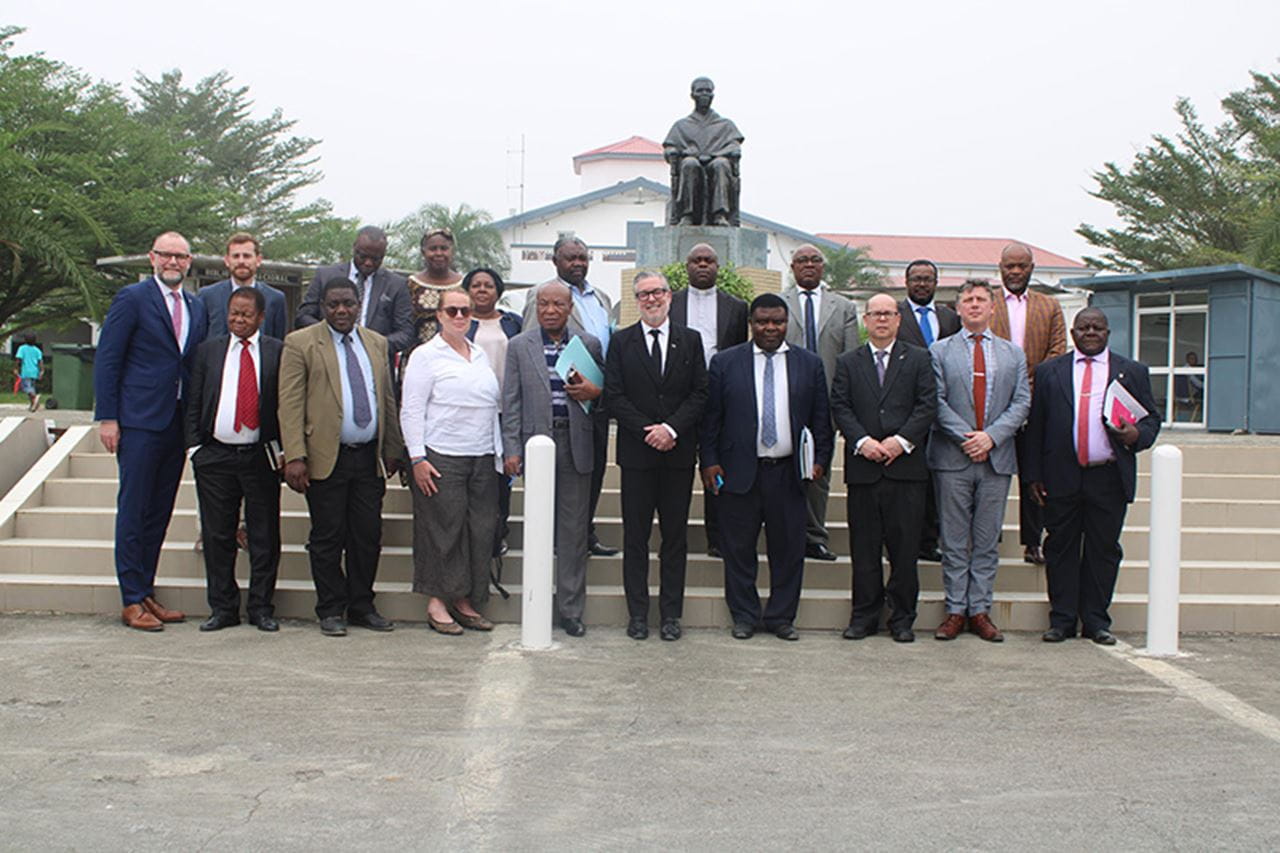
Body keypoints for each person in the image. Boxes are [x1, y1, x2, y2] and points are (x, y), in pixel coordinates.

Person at [701, 293, 834, 641]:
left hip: (789, 473)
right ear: (751, 324)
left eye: (777, 321)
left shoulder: (809, 363)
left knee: (789, 550)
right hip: (739, 472)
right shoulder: (726, 363)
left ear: (786, 323)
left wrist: (819, 461)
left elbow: (822, 420)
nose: (770, 328)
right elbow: (711, 419)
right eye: (762, 322)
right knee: (738, 550)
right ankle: (744, 616)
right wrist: (709, 461)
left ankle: (780, 618)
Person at [1025, 308, 1160, 645]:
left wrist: (1136, 436)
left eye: (1096, 327)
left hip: (1108, 477)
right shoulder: (1048, 372)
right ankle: (1062, 620)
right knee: (1060, 549)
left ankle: (1097, 621)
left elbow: (1151, 421)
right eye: (1083, 328)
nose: (1090, 333)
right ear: (1073, 334)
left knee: (1103, 550)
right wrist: (1033, 476)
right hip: (1061, 476)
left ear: (1107, 333)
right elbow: (1035, 428)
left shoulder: (1132, 372)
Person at [93, 231, 207, 631]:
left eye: (180, 256)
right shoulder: (132, 298)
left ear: (189, 261)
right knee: (134, 508)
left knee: (159, 511)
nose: (173, 262)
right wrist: (108, 417)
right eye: (166, 255)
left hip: (176, 422)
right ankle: (130, 599)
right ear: (152, 258)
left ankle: (146, 592)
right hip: (139, 420)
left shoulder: (196, 305)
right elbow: (108, 360)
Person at [279, 278, 405, 636]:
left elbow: (388, 399)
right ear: (323, 306)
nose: (341, 311)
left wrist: (393, 448)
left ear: (358, 302)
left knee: (367, 534)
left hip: (368, 458)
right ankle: (331, 608)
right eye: (333, 304)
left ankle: (362, 605)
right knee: (328, 536)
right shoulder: (300, 343)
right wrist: (295, 456)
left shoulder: (377, 343)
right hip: (323, 457)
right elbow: (289, 404)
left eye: (348, 303)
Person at [604, 271, 708, 641]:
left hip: (678, 455)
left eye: (658, 292)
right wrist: (649, 430)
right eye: (644, 294)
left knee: (675, 538)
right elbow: (613, 395)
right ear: (636, 300)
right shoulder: (621, 342)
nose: (651, 299)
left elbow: (700, 393)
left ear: (669, 296)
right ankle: (637, 615)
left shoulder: (690, 341)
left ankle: (670, 616)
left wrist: (672, 430)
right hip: (637, 455)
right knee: (635, 537)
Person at [829, 293, 937, 643]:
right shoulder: (849, 361)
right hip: (864, 469)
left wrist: (900, 441)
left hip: (905, 470)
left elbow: (927, 405)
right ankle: (864, 616)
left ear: (898, 319)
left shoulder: (919, 359)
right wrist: (863, 442)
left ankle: (903, 618)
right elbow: (840, 406)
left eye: (888, 314)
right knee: (864, 549)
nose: (881, 320)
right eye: (875, 314)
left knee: (905, 551)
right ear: (865, 319)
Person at [927, 279, 1030, 642]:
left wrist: (991, 436)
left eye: (981, 300)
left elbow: (1021, 402)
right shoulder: (938, 351)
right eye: (967, 300)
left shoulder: (1012, 353)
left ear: (992, 308)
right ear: (957, 309)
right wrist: (968, 438)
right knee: (954, 540)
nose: (974, 305)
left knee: (986, 540)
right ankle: (955, 610)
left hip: (996, 459)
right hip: (953, 458)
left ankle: (980, 610)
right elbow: (935, 402)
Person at [504, 280, 604, 637]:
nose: (550, 310)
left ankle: (570, 609)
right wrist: (512, 449)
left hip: (575, 443)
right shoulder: (518, 346)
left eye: (557, 304)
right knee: (539, 528)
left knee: (574, 532)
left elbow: (599, 400)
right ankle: (536, 602)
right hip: (536, 445)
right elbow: (511, 401)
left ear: (569, 308)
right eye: (543, 303)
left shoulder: (588, 345)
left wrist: (597, 392)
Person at [400, 287, 502, 635]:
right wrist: (417, 457)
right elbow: (411, 409)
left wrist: (500, 453)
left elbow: (492, 407)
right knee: (444, 529)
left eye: (466, 311)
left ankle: (465, 600)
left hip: (482, 455)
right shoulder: (426, 356)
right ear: (439, 315)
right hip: (442, 454)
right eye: (453, 311)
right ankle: (438, 602)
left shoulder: (479, 354)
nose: (460, 317)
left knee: (479, 530)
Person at [184, 287, 283, 632]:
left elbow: (285, 403)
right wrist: (195, 448)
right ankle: (223, 608)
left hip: (260, 456)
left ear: (260, 317)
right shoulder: (208, 351)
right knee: (217, 535)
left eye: (245, 314)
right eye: (233, 313)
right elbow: (194, 400)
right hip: (215, 456)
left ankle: (261, 608)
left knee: (264, 535)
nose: (238, 320)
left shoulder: (277, 352)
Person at [522, 236, 616, 557]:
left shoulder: (601, 297)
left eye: (582, 257)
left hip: (596, 398)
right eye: (570, 258)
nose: (577, 263)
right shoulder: (543, 295)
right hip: (561, 402)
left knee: (594, 469)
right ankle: (553, 540)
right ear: (555, 261)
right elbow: (533, 349)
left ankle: (584, 532)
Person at [669, 242, 747, 558]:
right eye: (696, 260)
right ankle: (674, 533)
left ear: (718, 266)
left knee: (718, 464)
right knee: (678, 466)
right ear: (686, 266)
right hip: (679, 395)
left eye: (709, 260)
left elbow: (739, 351)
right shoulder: (670, 303)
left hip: (721, 393)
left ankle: (717, 535)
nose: (703, 265)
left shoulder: (737, 307)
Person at [781, 243, 858, 562]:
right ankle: (786, 533)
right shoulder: (777, 303)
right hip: (784, 399)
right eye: (802, 260)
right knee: (783, 468)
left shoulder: (843, 307)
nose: (808, 265)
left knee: (819, 472)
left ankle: (815, 536)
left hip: (826, 402)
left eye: (815, 260)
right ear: (793, 267)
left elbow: (851, 359)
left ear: (822, 267)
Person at [990, 242, 1066, 566]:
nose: (1016, 272)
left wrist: (1028, 390)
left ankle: (1033, 541)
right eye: (1010, 266)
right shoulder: (986, 303)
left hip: (1037, 406)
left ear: (1032, 268)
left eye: (1022, 266)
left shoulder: (1049, 306)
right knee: (991, 473)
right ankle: (988, 534)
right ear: (1001, 268)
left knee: (1034, 474)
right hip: (992, 406)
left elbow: (1057, 352)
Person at [896, 258, 961, 563]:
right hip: (908, 410)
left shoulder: (950, 318)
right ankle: (914, 539)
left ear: (936, 283)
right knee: (914, 480)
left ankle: (934, 538)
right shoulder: (895, 315)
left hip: (948, 408)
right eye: (916, 279)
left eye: (927, 279)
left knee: (940, 479)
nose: (922, 284)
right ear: (906, 282)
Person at [463, 267, 522, 558]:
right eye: (476, 285)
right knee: (476, 475)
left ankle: (499, 533)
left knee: (502, 477)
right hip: (471, 412)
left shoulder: (513, 323)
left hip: (506, 410)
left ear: (498, 291)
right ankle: (473, 534)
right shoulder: (458, 321)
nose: (482, 290)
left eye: (488, 285)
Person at [294, 225, 414, 357]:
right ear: (354, 248)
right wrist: (330, 337)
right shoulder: (325, 276)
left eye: (376, 259)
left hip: (375, 361)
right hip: (327, 357)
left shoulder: (396, 285)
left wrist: (373, 344)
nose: (368, 263)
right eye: (363, 256)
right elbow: (303, 316)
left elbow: (405, 333)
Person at [663, 76, 744, 226]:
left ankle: (720, 215)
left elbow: (734, 145)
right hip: (691, 162)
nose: (704, 94)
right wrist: (672, 152)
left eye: (708, 91)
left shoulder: (725, 125)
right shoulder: (682, 125)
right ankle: (688, 215)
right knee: (689, 164)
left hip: (716, 161)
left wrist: (721, 153)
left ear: (713, 95)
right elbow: (670, 146)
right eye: (700, 91)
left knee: (721, 165)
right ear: (692, 95)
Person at [197, 233, 287, 340]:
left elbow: (278, 341)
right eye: (236, 256)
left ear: (258, 260)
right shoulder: (207, 296)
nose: (241, 261)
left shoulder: (275, 298)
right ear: (227, 260)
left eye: (247, 256)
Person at [406, 227, 465, 345]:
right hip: (417, 355)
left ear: (452, 251)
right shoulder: (410, 285)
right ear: (423, 252)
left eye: (444, 249)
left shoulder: (464, 285)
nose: (438, 253)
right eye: (433, 249)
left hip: (455, 355)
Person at [14, 333, 43, 412]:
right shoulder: (37, 350)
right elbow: (40, 361)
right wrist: (41, 371)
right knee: (32, 387)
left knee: (26, 388)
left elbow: (18, 359)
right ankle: (33, 405)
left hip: (26, 372)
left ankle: (35, 397)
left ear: (25, 340)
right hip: (34, 372)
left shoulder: (22, 348)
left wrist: (16, 369)